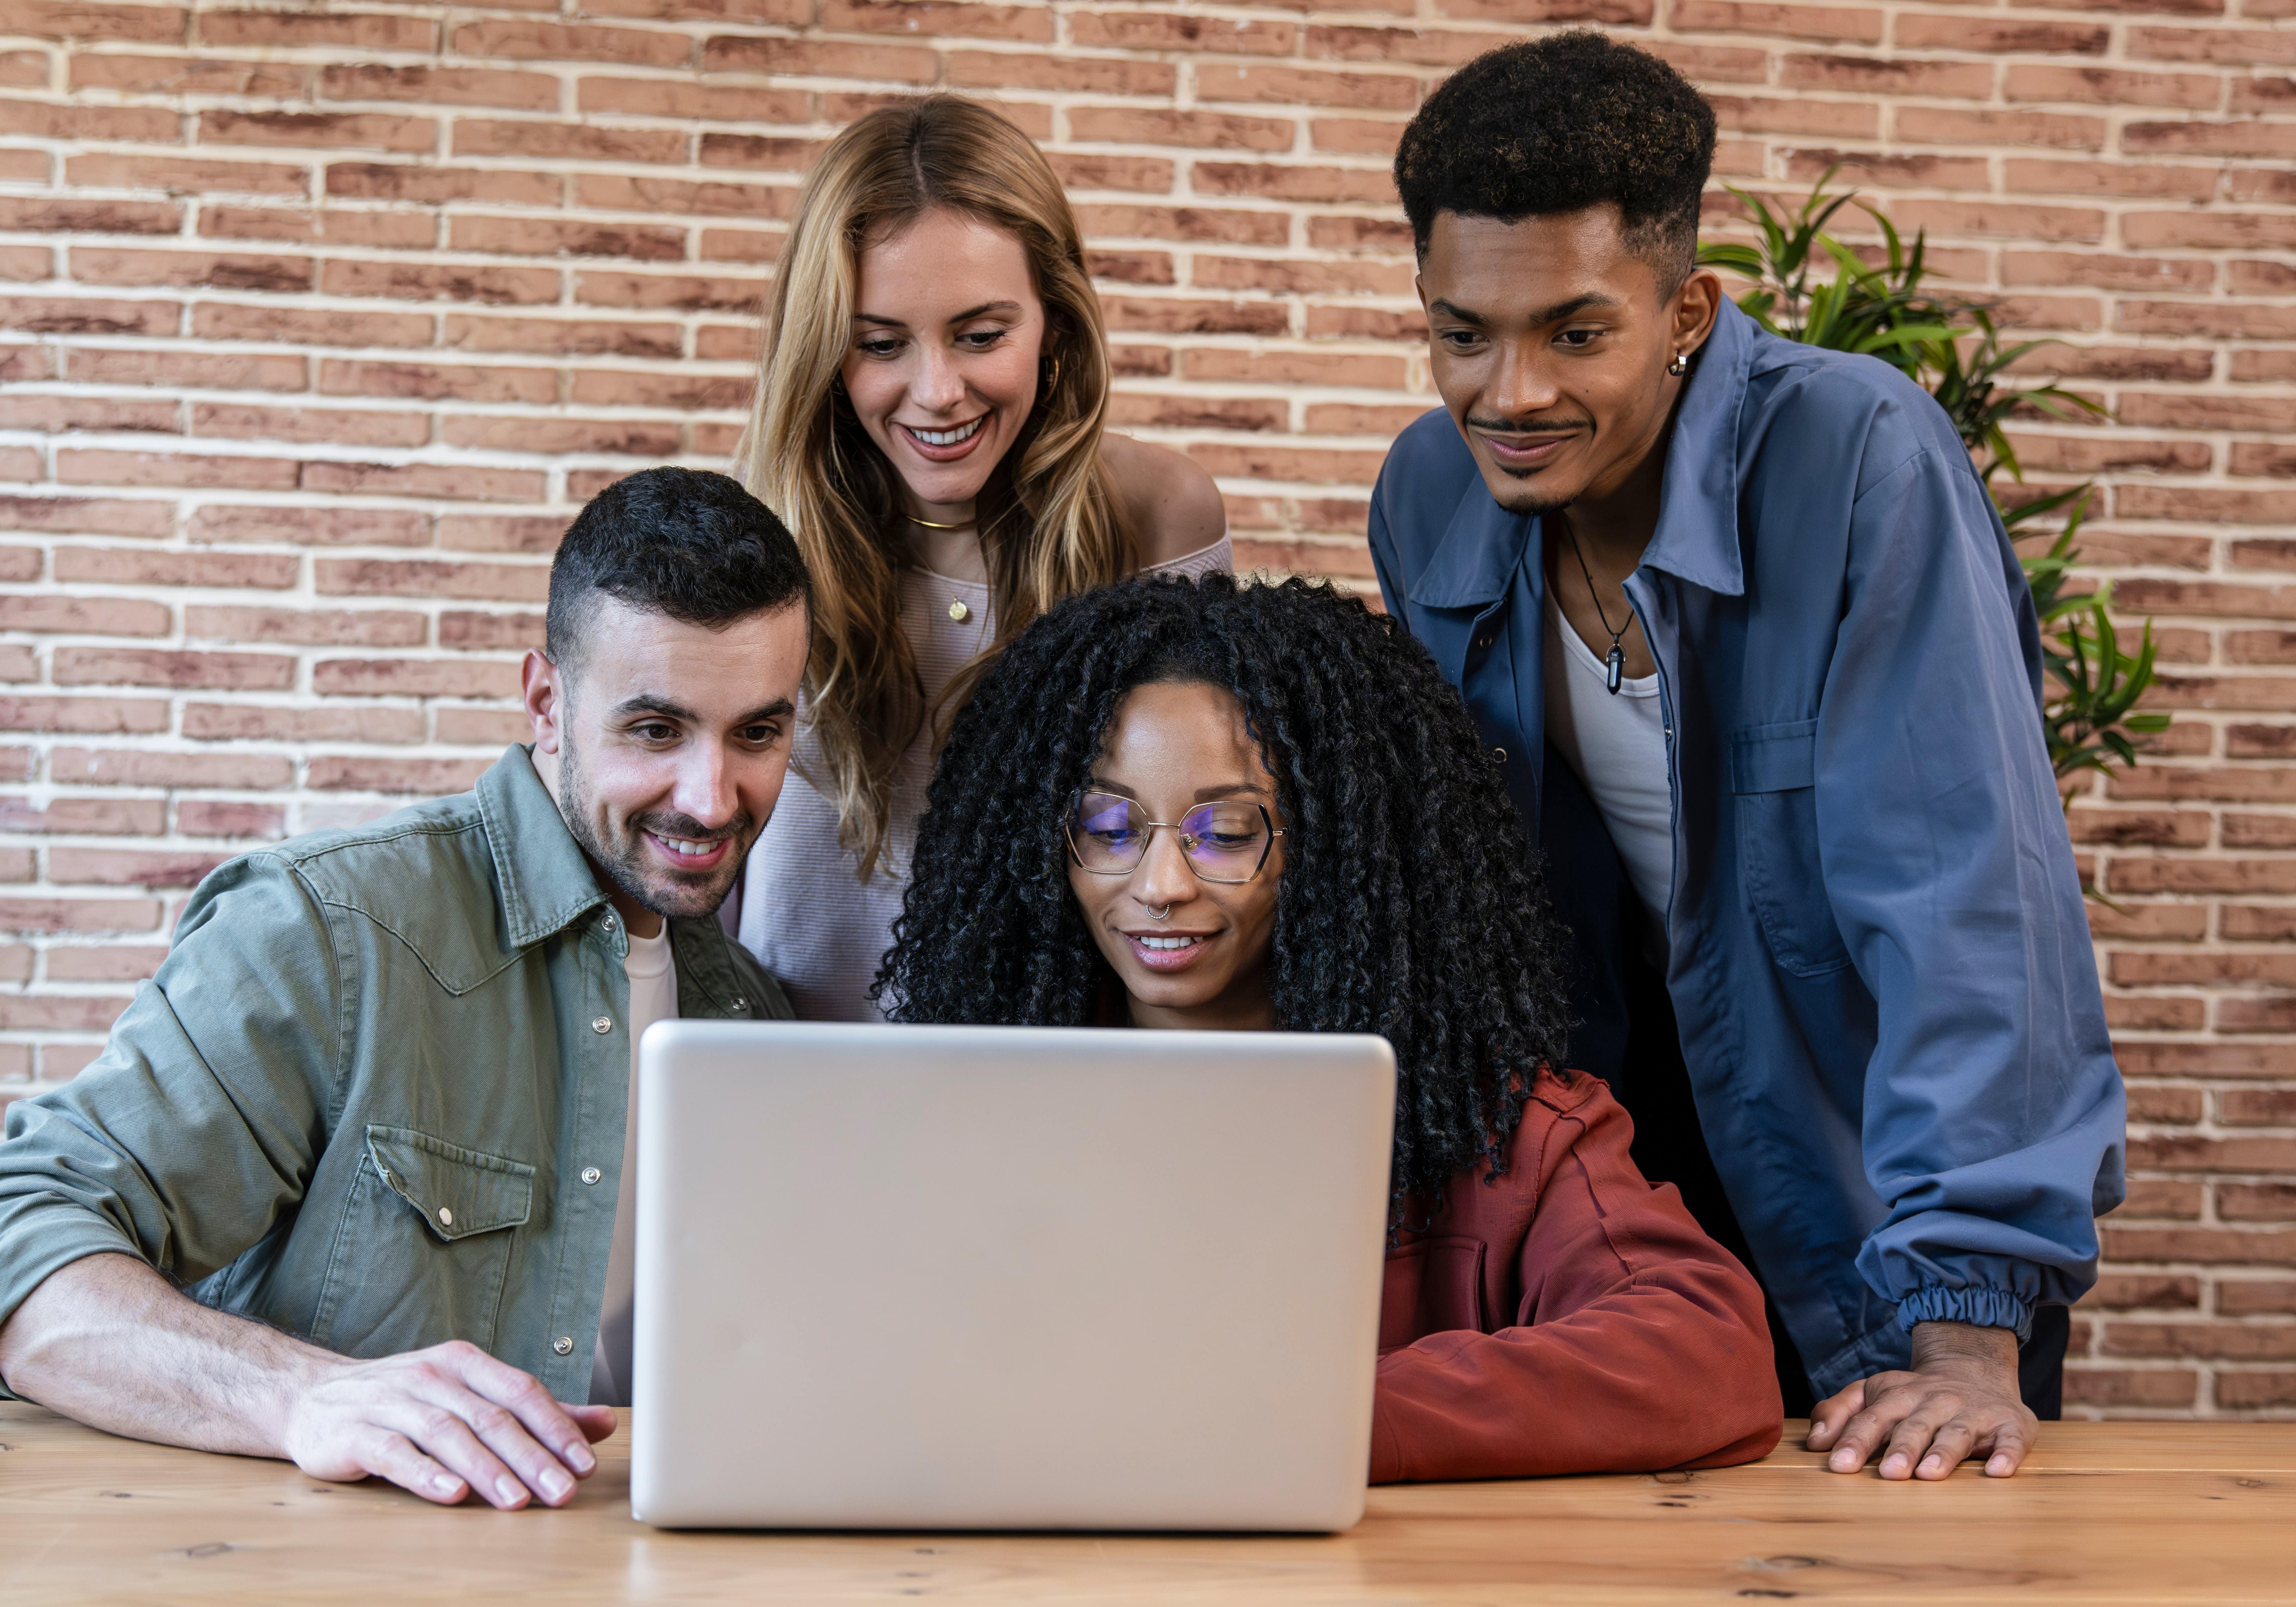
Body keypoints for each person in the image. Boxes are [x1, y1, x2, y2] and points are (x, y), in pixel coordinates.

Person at [1369, 33, 2126, 1481]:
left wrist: (1966, 1329)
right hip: (1621, 1221)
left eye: (1575, 333)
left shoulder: (1857, 460)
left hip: (1876, 1206)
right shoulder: (1424, 496)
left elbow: (1966, 898)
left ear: (1689, 314)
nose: (1508, 394)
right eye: (1463, 333)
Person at [0, 468, 807, 1509]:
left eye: (757, 733)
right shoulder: (330, 928)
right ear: (547, 704)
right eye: (655, 730)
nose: (710, 796)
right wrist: (303, 1399)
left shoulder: (750, 1014)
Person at [877, 573, 1784, 1481]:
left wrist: (1296, 1416)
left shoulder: (1497, 1130)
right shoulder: (967, 1116)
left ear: (1335, 846)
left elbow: (1703, 1351)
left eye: (1226, 833)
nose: (1158, 884)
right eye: (1107, 828)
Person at [735, 93, 1231, 1020]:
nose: (936, 393)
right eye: (879, 344)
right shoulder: (759, 531)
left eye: (979, 335)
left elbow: (1200, 845)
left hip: (1052, 1086)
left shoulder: (1157, 515)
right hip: (781, 1084)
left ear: (1054, 324)